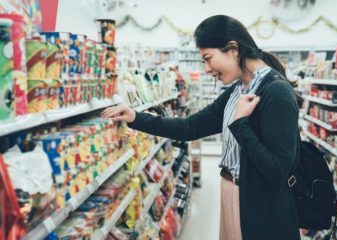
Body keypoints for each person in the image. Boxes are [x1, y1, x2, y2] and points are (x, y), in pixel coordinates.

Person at [102, 15, 300, 240]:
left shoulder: (276, 92)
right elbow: (189, 127)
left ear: (233, 49)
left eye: (208, 58)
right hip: (233, 193)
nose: (207, 68)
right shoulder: (237, 90)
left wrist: (240, 123)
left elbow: (277, 170)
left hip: (261, 207)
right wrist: (135, 117)